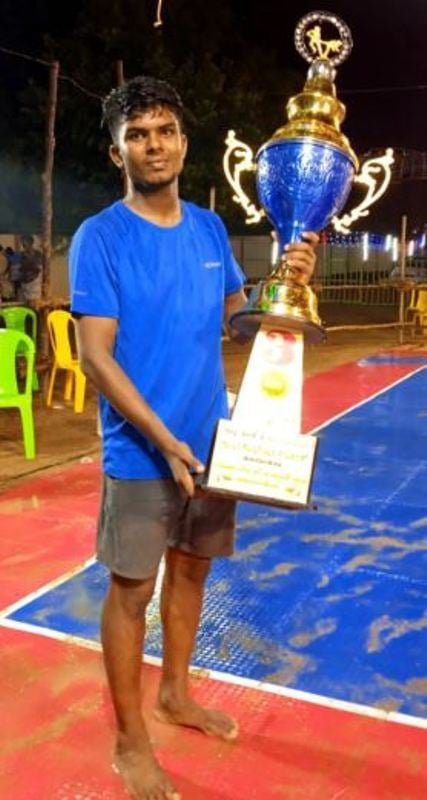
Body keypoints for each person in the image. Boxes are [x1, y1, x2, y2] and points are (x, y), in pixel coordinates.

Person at [69, 75, 318, 800]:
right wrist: (163, 440)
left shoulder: (210, 229)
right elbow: (95, 355)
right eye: (138, 134)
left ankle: (175, 692)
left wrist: (283, 285)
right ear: (118, 151)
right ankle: (128, 737)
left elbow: (239, 324)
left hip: (214, 441)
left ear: (183, 142)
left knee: (191, 572)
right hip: (141, 453)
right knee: (131, 590)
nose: (155, 145)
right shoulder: (102, 236)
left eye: (166, 131)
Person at [19, 235, 42, 302]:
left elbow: (38, 268)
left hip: (35, 284)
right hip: (25, 285)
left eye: (25, 242)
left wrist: (29, 266)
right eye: (22, 242)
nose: (23, 244)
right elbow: (20, 268)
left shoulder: (38, 254)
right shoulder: (22, 255)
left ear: (31, 243)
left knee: (35, 304)